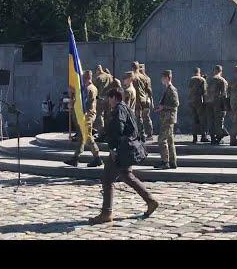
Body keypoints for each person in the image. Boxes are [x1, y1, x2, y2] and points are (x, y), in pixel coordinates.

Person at [89, 89, 159, 225]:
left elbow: (118, 128)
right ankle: (150, 201)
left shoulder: (119, 109)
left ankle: (106, 213)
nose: (108, 102)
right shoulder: (127, 108)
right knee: (127, 175)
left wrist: (113, 148)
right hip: (126, 148)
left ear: (114, 97)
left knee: (107, 179)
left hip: (120, 149)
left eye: (109, 98)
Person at [64, 71, 103, 168]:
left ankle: (97, 158)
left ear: (85, 78)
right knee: (82, 137)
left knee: (88, 137)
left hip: (87, 115)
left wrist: (73, 104)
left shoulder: (88, 89)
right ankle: (75, 158)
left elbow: (84, 104)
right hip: (89, 114)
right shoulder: (92, 87)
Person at [154, 70, 179, 169]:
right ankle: (172, 162)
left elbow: (175, 104)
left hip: (169, 118)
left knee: (161, 140)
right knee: (169, 140)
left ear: (168, 78)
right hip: (167, 117)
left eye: (163, 78)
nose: (161, 80)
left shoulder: (172, 90)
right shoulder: (168, 89)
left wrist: (163, 107)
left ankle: (165, 162)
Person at [206, 65, 229, 144]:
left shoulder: (208, 80)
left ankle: (212, 138)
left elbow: (205, 91)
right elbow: (224, 94)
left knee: (210, 120)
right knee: (219, 120)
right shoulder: (222, 80)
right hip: (218, 103)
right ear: (221, 71)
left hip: (208, 102)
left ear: (214, 71)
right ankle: (218, 138)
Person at [131, 61, 153, 142]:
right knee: (146, 117)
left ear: (132, 68)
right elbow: (149, 89)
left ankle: (142, 135)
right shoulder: (144, 77)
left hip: (137, 100)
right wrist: (151, 99)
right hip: (145, 99)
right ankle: (150, 133)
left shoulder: (133, 77)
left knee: (138, 118)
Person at [188, 67, 209, 143]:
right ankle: (203, 136)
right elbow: (204, 91)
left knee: (194, 119)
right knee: (202, 119)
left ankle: (194, 137)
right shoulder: (202, 80)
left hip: (191, 101)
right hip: (199, 101)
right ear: (199, 72)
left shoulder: (191, 79)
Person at [93, 65, 114, 133]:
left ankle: (101, 132)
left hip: (100, 99)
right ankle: (108, 131)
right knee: (108, 115)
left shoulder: (98, 78)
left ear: (97, 70)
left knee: (100, 116)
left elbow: (95, 89)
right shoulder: (109, 76)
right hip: (109, 99)